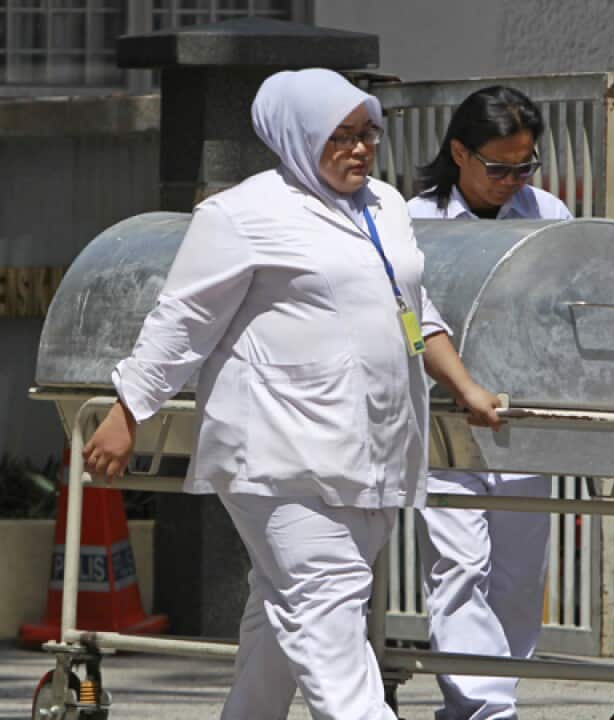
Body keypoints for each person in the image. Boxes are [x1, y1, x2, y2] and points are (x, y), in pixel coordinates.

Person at [82, 67, 503, 720]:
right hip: (279, 454)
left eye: (368, 133)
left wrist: (465, 386)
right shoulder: (241, 215)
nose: (360, 149)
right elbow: (181, 322)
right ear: (297, 136)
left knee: (283, 615)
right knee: (325, 608)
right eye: (340, 136)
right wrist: (128, 410)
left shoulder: (384, 207)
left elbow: (412, 305)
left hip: (373, 450)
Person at [407, 85, 572, 720]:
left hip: (520, 413)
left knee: (519, 572)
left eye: (523, 166)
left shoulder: (547, 213)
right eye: (497, 167)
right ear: (459, 153)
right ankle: (484, 707)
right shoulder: (417, 220)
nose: (510, 181)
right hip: (445, 415)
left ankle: (486, 694)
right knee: (458, 563)